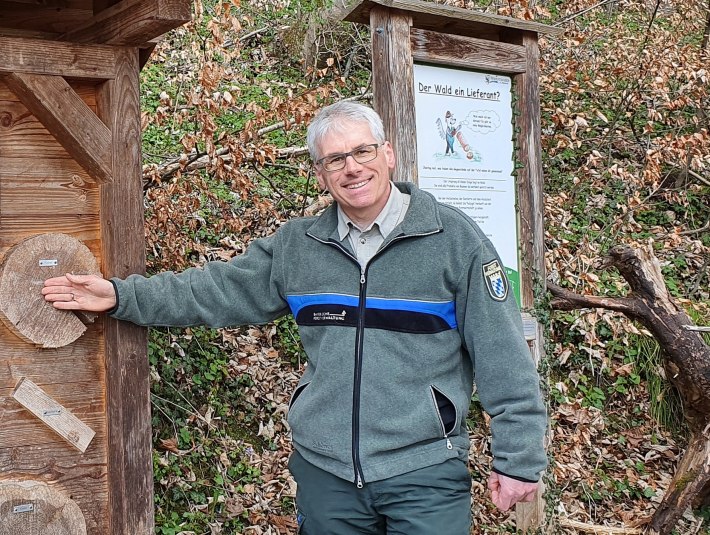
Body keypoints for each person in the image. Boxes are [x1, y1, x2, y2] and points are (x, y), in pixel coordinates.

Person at [43, 101, 547, 534]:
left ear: (387, 154)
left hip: (424, 471)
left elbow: (503, 357)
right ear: (322, 174)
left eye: (362, 151)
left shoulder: (454, 242)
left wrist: (518, 460)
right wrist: (119, 296)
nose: (352, 168)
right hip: (326, 475)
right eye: (335, 159)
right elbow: (213, 290)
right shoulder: (298, 248)